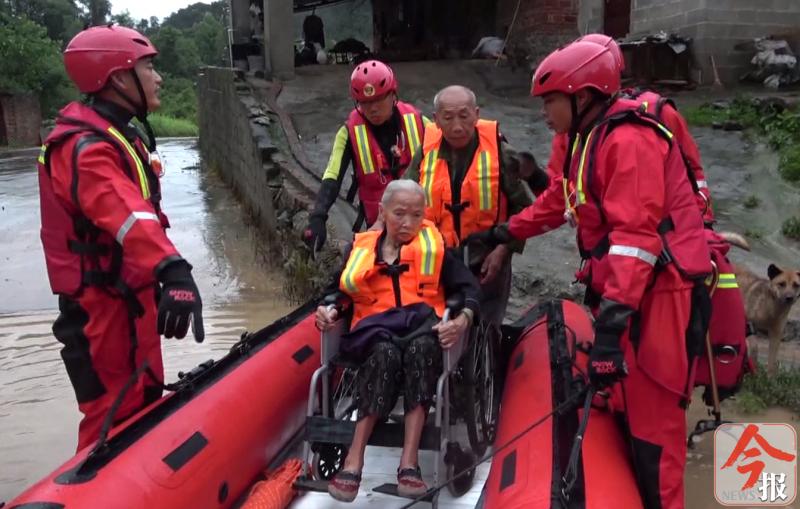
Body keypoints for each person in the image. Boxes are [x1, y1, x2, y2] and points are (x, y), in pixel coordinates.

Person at [470, 41, 712, 509]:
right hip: (624, 295)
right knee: (621, 411)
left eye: (550, 101)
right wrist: (504, 230)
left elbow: (635, 240)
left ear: (583, 96)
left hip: (657, 301)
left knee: (653, 437)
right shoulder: (584, 139)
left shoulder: (628, 139)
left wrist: (613, 327)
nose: (543, 112)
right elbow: (559, 202)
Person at [38, 25, 204, 451]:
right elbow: (127, 214)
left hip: (130, 303)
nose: (158, 77)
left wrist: (164, 274)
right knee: (109, 420)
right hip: (101, 315)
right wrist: (175, 270)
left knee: (141, 402)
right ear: (117, 78)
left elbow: (141, 212)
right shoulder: (84, 150)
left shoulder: (119, 135)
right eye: (149, 66)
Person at [315, 180, 480, 502]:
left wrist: (462, 320)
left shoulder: (435, 250)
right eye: (400, 213)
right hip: (374, 332)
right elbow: (334, 290)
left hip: (421, 329)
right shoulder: (361, 249)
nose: (408, 223)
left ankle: (409, 463)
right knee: (385, 355)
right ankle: (353, 460)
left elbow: (470, 289)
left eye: (417, 215)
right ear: (383, 212)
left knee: (420, 352)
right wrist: (327, 308)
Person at [401, 85, 549, 328]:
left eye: (464, 115)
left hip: (488, 258)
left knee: (486, 328)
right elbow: (404, 198)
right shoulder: (425, 153)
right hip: (438, 259)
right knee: (440, 325)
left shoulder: (500, 153)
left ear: (477, 114)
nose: (457, 126)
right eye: (448, 118)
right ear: (436, 120)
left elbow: (523, 207)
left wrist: (503, 250)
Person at [545, 33, 715, 226]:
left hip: (661, 232)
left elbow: (692, 174)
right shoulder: (573, 129)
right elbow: (558, 193)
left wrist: (704, 226)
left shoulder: (655, 114)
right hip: (606, 236)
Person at [302, 60, 426, 254]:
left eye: (379, 100)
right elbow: (332, 177)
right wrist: (318, 217)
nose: (372, 109)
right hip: (379, 229)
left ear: (393, 95)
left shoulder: (419, 121)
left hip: (421, 222)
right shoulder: (348, 132)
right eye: (365, 103)